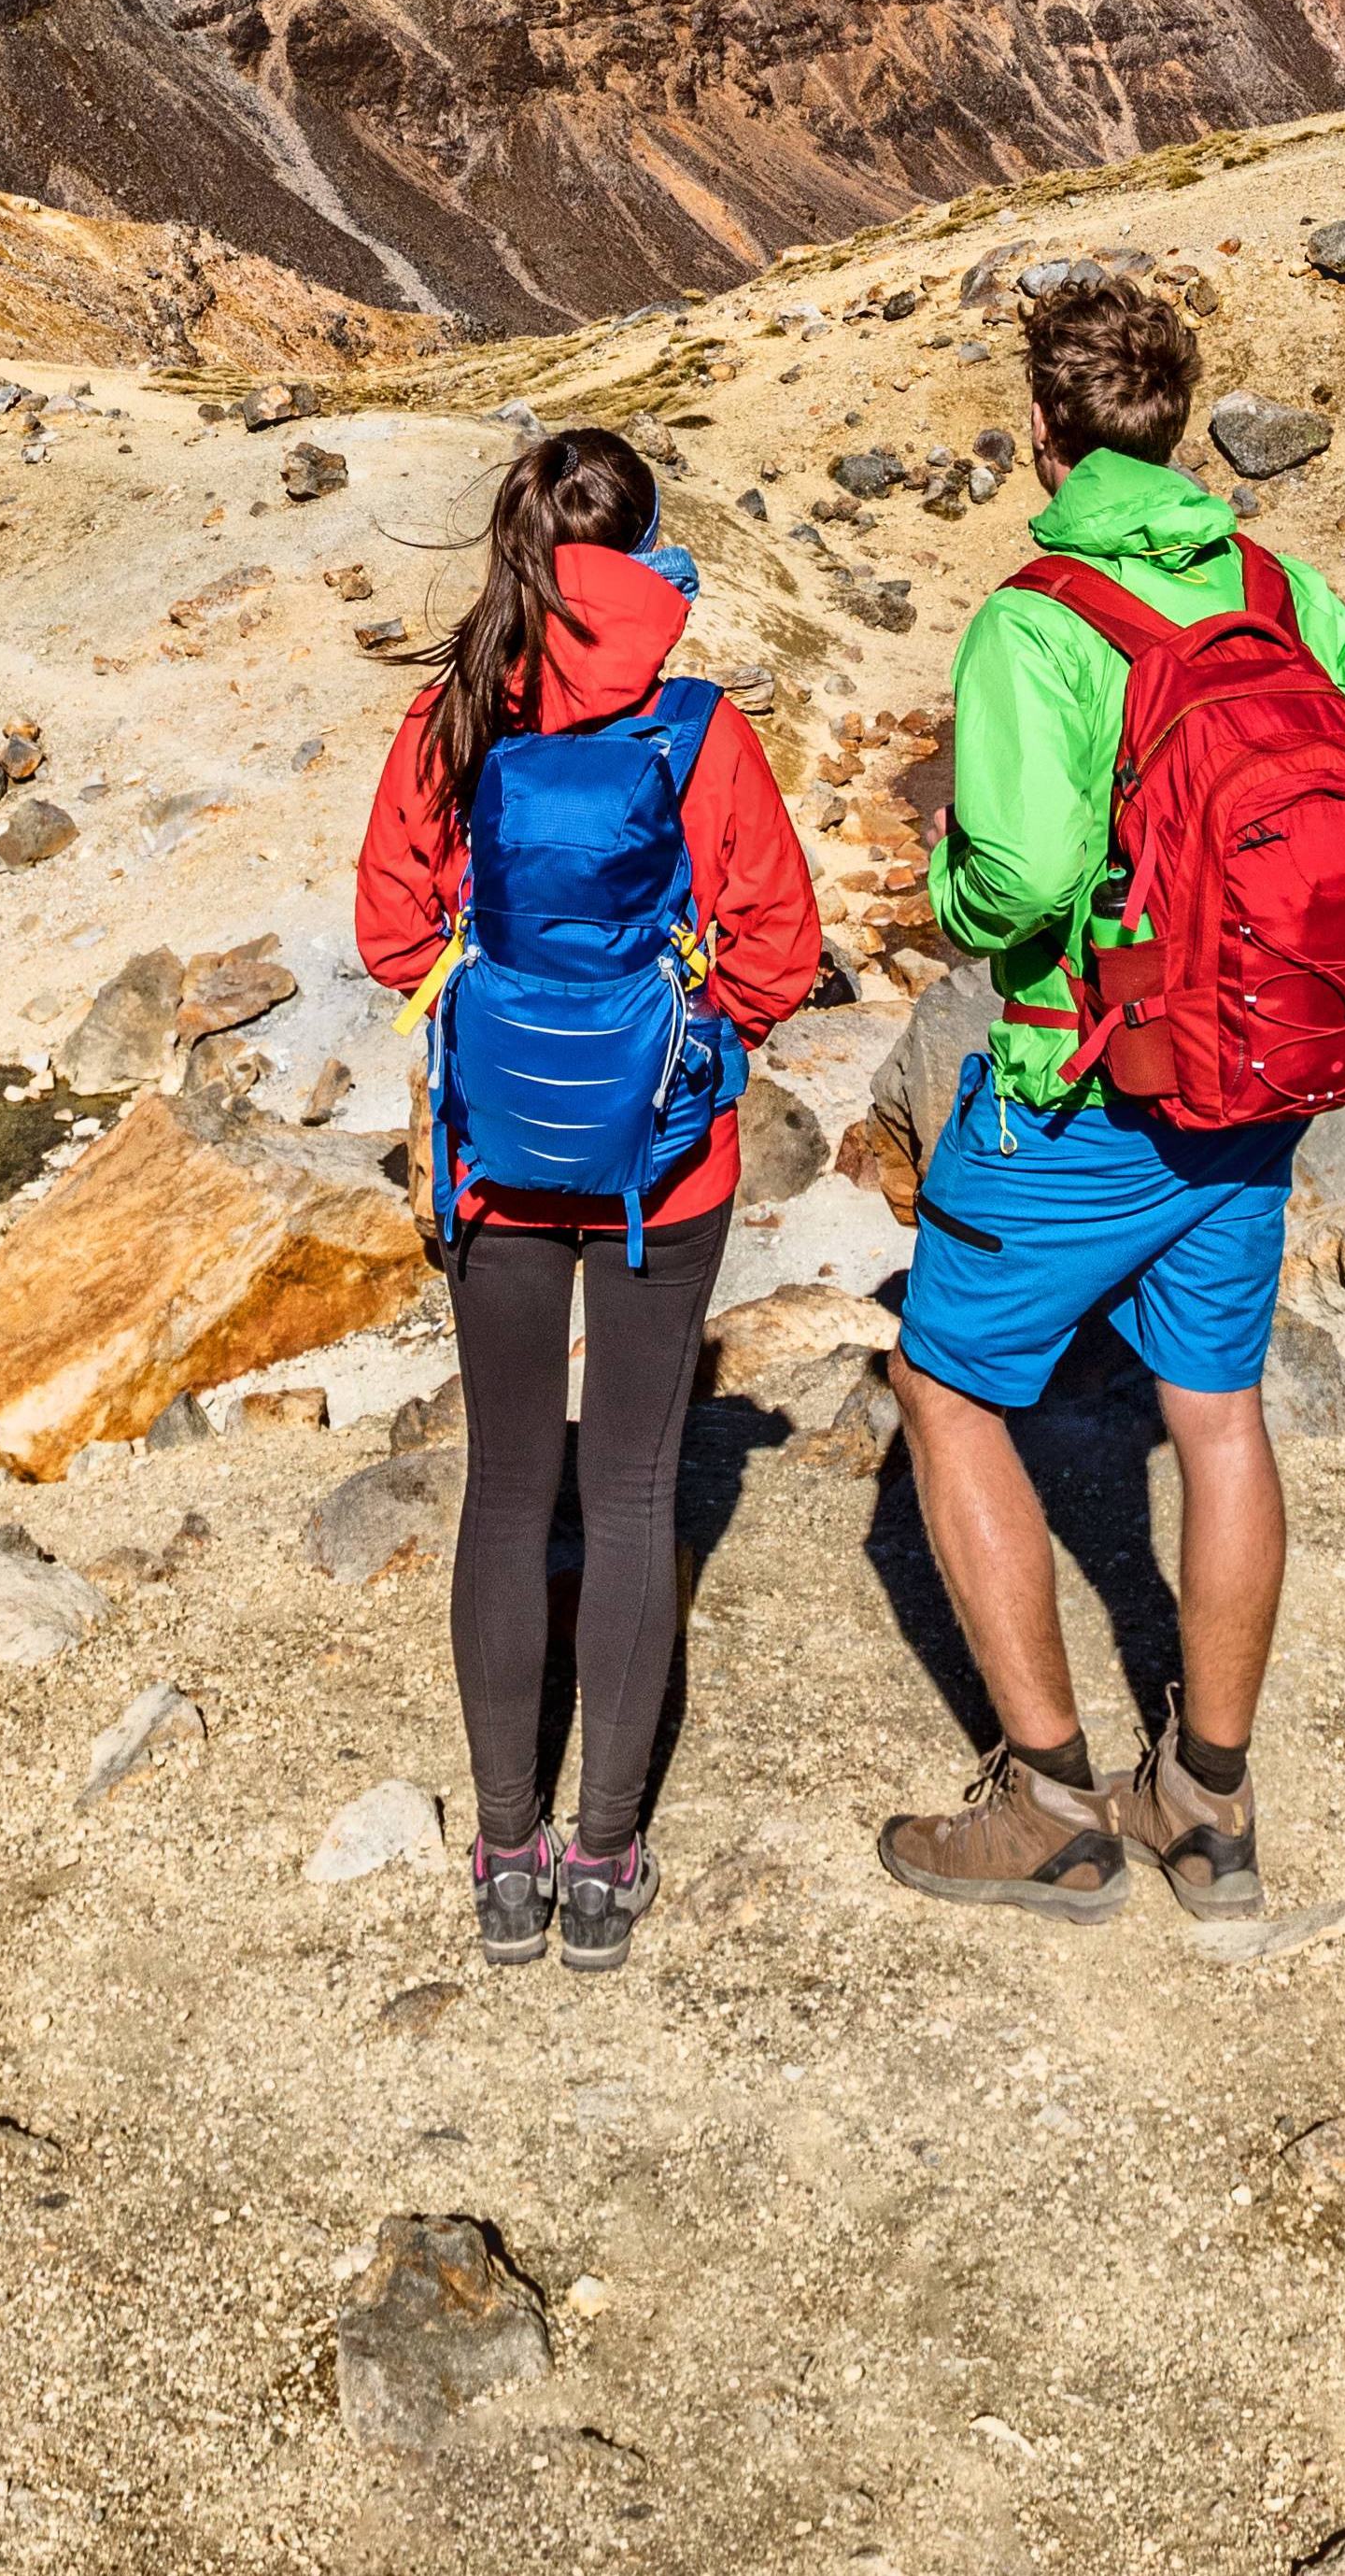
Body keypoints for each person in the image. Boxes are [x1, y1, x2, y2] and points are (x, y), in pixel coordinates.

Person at [881, 269, 1345, 1923]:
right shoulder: (1277, 586)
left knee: (946, 1386)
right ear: (1180, 415)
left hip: (1089, 1089)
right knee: (1216, 1416)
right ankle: (1207, 1808)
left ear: (1046, 430)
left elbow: (1026, 876)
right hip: (1259, 1090)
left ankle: (1053, 1804)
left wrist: (969, 895)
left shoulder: (1037, 617)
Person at [347, 422, 819, 1974]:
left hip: (495, 1156)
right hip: (662, 1172)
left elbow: (389, 931)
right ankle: (606, 1858)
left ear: (517, 550)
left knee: (505, 1485)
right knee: (628, 1492)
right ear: (652, 546)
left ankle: (502, 1856)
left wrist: (499, 1014)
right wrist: (679, 1050)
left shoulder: (454, 715)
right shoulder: (702, 734)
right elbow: (780, 949)